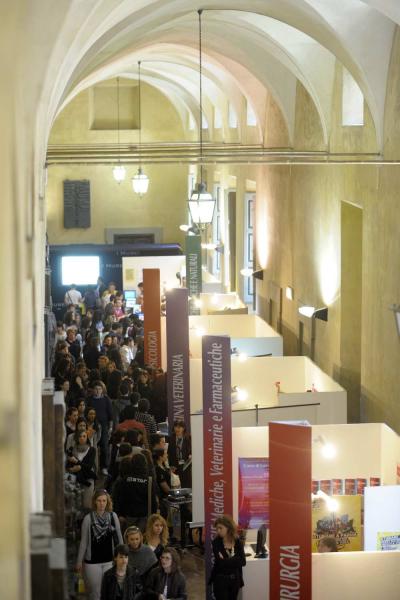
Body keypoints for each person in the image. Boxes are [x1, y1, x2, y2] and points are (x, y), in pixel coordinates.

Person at [76, 489, 123, 600]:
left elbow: (119, 537)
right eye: (99, 500)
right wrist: (79, 561)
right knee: (95, 593)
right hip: (92, 562)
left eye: (104, 501)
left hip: (109, 561)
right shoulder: (88, 518)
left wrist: (123, 556)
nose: (102, 503)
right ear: (95, 502)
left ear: (107, 502)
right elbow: (83, 542)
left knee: (109, 592)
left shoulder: (113, 516)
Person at [112, 453, 157, 533]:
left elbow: (120, 498)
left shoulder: (125, 480)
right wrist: (154, 516)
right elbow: (153, 500)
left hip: (128, 515)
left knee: (129, 537)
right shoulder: (149, 480)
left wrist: (119, 514)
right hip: (144, 516)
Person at [209, 515, 246, 600]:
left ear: (228, 527)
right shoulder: (216, 543)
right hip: (220, 580)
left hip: (235, 580)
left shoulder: (237, 542)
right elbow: (220, 563)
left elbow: (243, 561)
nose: (218, 531)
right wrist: (235, 559)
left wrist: (226, 560)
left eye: (220, 528)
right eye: (217, 529)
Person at [66, 429, 97, 508]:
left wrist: (78, 463)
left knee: (87, 503)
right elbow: (68, 465)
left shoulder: (92, 450)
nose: (82, 438)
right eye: (80, 436)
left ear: (87, 438)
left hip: (87, 478)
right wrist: (71, 469)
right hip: (75, 478)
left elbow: (89, 466)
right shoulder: (72, 449)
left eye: (84, 436)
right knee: (75, 504)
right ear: (77, 438)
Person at [87, 382, 113, 475]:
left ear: (102, 390)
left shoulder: (106, 399)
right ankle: (91, 466)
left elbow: (110, 414)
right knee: (91, 445)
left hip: (104, 425)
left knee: (104, 446)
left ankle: (104, 467)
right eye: (96, 389)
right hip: (92, 424)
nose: (98, 391)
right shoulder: (89, 399)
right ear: (93, 390)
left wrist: (110, 427)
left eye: (99, 389)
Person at [124, 526, 158, 591]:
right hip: (128, 585)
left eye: (137, 539)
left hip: (146, 584)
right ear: (127, 540)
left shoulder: (147, 550)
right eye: (132, 539)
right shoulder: (124, 551)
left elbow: (155, 571)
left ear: (140, 539)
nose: (135, 542)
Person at [167, 420, 191, 489]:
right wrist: (171, 465)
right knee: (176, 486)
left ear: (183, 428)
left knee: (186, 485)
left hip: (185, 466)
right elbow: (169, 453)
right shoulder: (170, 438)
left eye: (179, 427)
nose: (177, 429)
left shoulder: (188, 438)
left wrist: (190, 455)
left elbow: (192, 450)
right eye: (176, 427)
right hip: (174, 466)